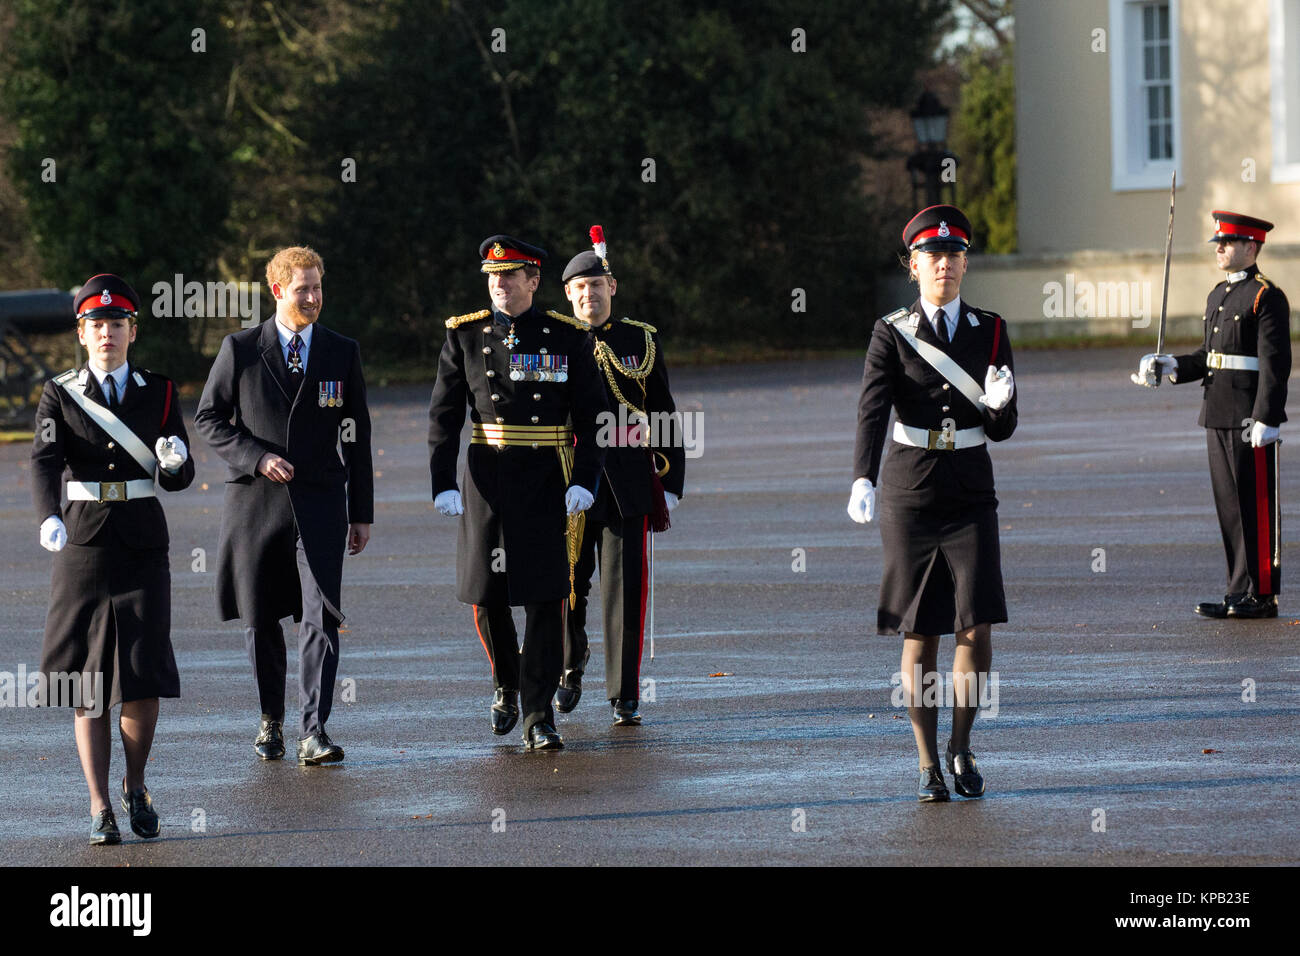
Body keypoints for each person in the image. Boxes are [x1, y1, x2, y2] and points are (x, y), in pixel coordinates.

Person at [848, 205, 1017, 802]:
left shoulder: (991, 329)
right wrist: (862, 478)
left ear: (965, 264)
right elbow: (872, 408)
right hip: (911, 493)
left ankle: (962, 743)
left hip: (970, 489)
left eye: (954, 256)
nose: (944, 265)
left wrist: (998, 406)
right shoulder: (889, 331)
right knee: (919, 631)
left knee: (976, 624)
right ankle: (926, 764)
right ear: (913, 266)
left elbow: (1003, 430)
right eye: (932, 257)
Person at [428, 235, 609, 750]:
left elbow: (595, 416)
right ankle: (506, 682)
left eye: (510, 276)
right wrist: (442, 482)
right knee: (487, 593)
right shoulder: (464, 335)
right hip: (486, 476)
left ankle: (538, 712)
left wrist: (584, 479)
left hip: (546, 475)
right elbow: (443, 417)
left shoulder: (567, 336)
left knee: (546, 595)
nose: (499, 285)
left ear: (533, 281)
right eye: (492, 276)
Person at [31, 274, 195, 844]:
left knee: (143, 675)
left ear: (132, 332)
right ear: (82, 333)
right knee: (88, 681)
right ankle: (99, 806)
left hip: (143, 545)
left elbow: (180, 475)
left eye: (117, 324)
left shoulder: (161, 391)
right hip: (83, 546)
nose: (107, 333)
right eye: (96, 325)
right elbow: (45, 460)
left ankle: (136, 784)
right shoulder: (59, 392)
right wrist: (48, 514)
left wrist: (174, 465)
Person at [194, 246, 373, 766]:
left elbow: (357, 437)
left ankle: (314, 730)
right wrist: (256, 457)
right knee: (261, 617)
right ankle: (271, 717)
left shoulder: (342, 351)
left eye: (318, 287)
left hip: (320, 504)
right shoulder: (241, 349)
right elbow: (209, 418)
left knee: (321, 614)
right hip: (255, 505)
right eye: (303, 289)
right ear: (278, 291)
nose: (313, 297)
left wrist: (361, 511)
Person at [555, 226, 685, 726]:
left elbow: (665, 411)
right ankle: (570, 664)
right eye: (580, 287)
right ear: (568, 295)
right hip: (571, 475)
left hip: (629, 475)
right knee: (568, 580)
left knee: (625, 588)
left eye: (598, 284)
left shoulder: (640, 340)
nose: (590, 294)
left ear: (613, 288)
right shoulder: (557, 340)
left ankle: (623, 692)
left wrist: (670, 481)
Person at [1133, 211, 1290, 619]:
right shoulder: (1217, 294)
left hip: (1249, 417)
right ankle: (1238, 590)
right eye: (1218, 242)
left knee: (1256, 506)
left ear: (1251, 247)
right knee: (1230, 507)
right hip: (1216, 410)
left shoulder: (1265, 296)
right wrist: (1172, 366)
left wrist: (1267, 417)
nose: (1219, 248)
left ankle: (1263, 593)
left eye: (1228, 242)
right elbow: (1209, 358)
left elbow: (1275, 363)